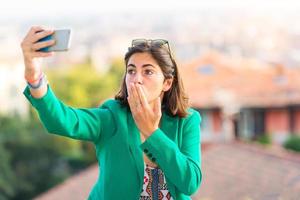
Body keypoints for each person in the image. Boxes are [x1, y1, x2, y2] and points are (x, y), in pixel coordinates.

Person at [21, 26, 202, 200]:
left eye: (148, 71)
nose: (136, 79)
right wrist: (34, 78)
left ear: (167, 83)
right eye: (131, 71)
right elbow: (62, 120)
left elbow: (190, 183)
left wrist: (152, 133)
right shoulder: (111, 116)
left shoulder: (186, 121)